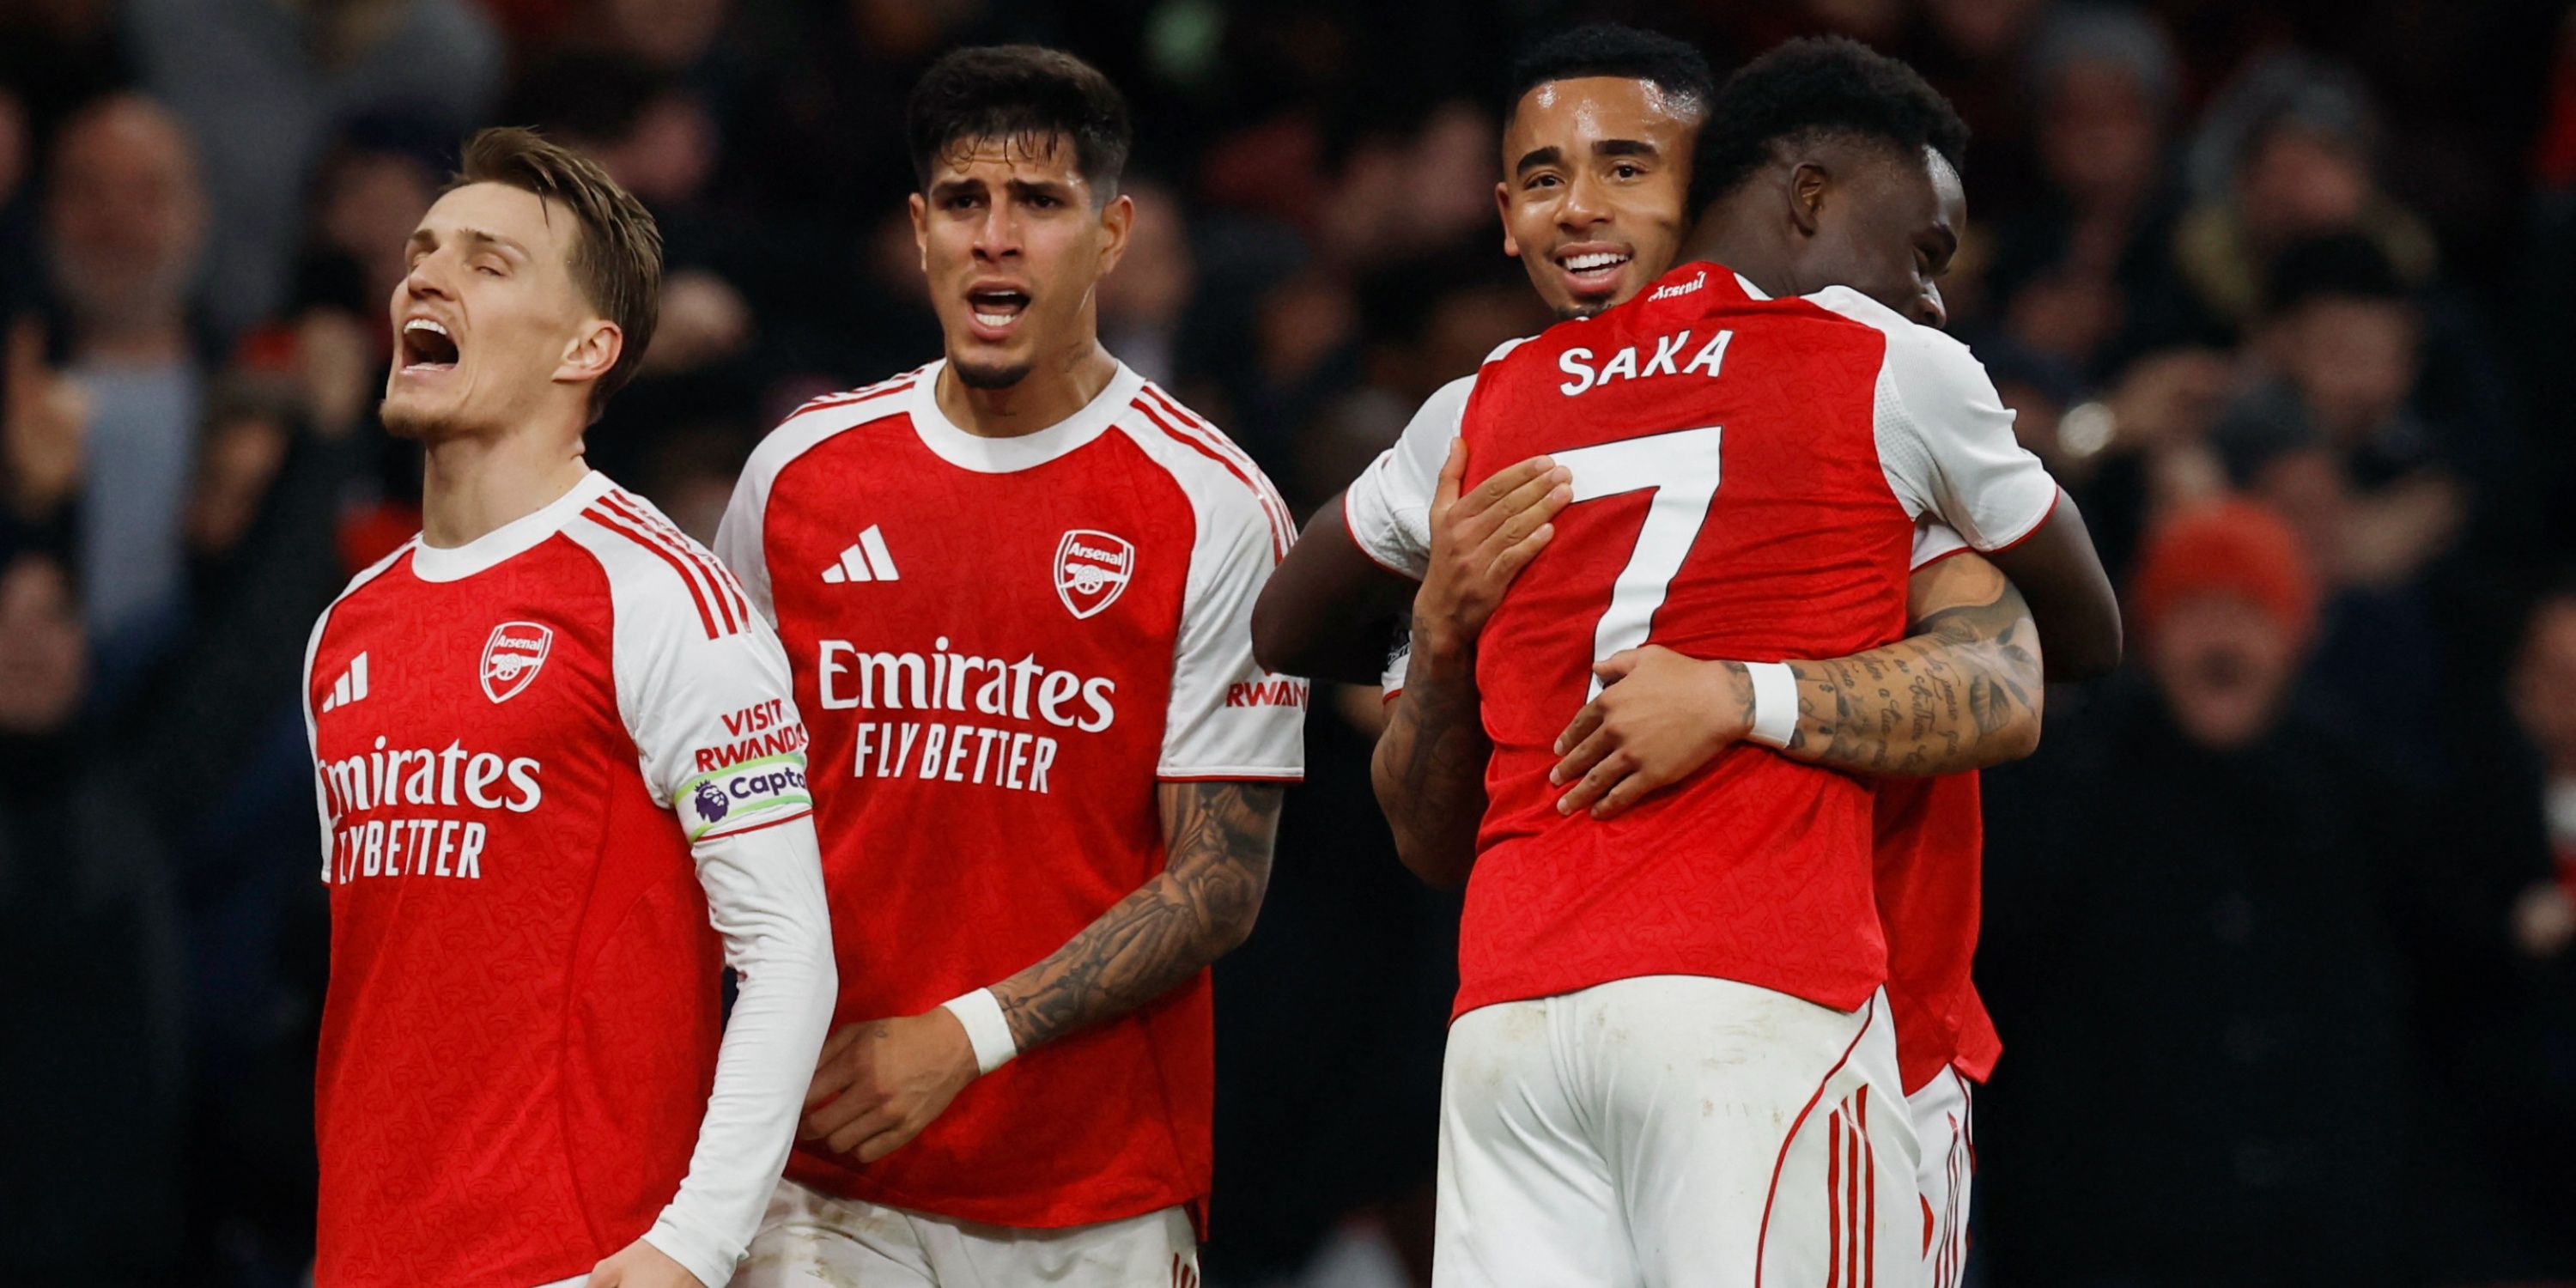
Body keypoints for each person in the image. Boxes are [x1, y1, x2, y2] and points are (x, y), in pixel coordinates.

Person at [1250, 27, 2117, 1283]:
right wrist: (1732, 694)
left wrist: (1440, 631)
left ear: (1699, 187)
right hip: (1787, 1001)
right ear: (1792, 192)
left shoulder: (1490, 405)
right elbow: (2042, 666)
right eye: (1546, 178)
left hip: (1513, 1013)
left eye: (1624, 169)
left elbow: (1288, 631)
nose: (1585, 208)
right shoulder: (1880, 376)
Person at [714, 46, 1303, 1285]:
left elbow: (1218, 888)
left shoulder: (1214, 505)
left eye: (1041, 204)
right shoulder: (796, 480)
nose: (998, 237)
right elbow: (718, 822)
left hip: (1090, 1197)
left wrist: (961, 1039)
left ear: (1111, 234)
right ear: (919, 230)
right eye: (967, 202)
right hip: (820, 1179)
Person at [301, 127, 835, 1288]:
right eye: (423, 253)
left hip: (575, 1263)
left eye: (490, 264)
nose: (427, 279)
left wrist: (689, 1252)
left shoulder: (664, 598)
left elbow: (792, 954)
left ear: (589, 348)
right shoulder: (347, 627)